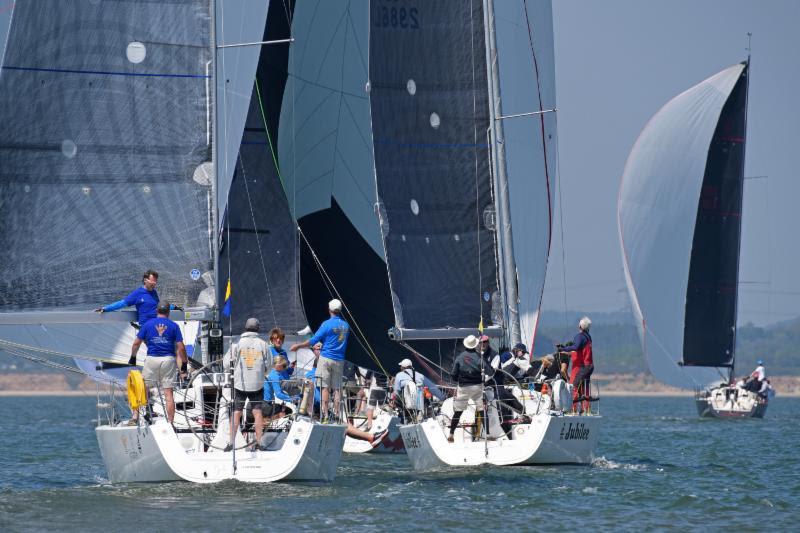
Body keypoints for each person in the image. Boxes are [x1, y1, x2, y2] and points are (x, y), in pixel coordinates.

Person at [290, 299, 350, 423]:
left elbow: (313, 340)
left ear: (329, 310)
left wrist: (298, 346)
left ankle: (326, 415)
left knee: (324, 387)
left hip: (326, 357)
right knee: (337, 388)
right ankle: (337, 414)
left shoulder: (326, 324)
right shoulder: (346, 325)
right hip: (339, 359)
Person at [128, 302, 188, 424]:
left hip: (152, 359)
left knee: (143, 387)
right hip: (168, 360)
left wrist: (133, 357)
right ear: (168, 312)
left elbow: (136, 343)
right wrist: (185, 363)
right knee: (168, 394)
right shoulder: (174, 326)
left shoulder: (147, 325)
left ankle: (136, 416)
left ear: (157, 311)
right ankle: (170, 423)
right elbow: (181, 348)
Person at [222, 317, 270, 451]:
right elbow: (269, 365)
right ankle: (259, 443)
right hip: (257, 384)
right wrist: (262, 373)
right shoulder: (263, 344)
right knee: (257, 412)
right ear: (258, 328)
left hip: (240, 384)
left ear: (245, 328)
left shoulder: (237, 344)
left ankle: (231, 443)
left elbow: (226, 364)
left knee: (236, 412)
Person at [96, 269, 180, 326]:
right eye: (152, 281)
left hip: (158, 325)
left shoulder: (153, 292)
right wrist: (106, 308)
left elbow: (158, 305)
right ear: (145, 280)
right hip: (147, 328)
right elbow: (122, 303)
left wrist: (173, 307)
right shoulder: (137, 293)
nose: (154, 283)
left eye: (155, 281)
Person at [448, 335, 485, 443]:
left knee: (458, 412)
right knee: (481, 410)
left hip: (463, 388)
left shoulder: (460, 357)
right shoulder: (479, 357)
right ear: (475, 345)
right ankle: (488, 434)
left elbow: (454, 375)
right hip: (477, 388)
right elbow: (489, 371)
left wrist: (457, 378)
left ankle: (451, 434)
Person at [488, 344, 529, 434]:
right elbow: (501, 366)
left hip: (506, 381)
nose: (523, 354)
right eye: (522, 352)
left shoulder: (517, 359)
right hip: (501, 380)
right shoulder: (507, 355)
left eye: (524, 353)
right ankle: (522, 414)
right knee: (507, 398)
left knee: (507, 398)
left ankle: (520, 414)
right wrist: (514, 360)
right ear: (516, 350)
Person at [563, 316, 593, 414]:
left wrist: (563, 349)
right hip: (590, 366)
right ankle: (587, 410)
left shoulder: (579, 337)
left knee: (574, 387)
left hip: (583, 366)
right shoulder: (588, 337)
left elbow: (575, 347)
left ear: (580, 326)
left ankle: (574, 409)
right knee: (585, 388)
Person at [262, 356, 296, 423]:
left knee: (279, 407)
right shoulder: (275, 376)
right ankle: (269, 423)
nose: (285, 368)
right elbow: (278, 394)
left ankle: (267, 421)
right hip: (266, 404)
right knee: (288, 410)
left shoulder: (268, 372)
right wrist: (292, 399)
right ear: (278, 365)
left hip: (260, 402)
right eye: (284, 365)